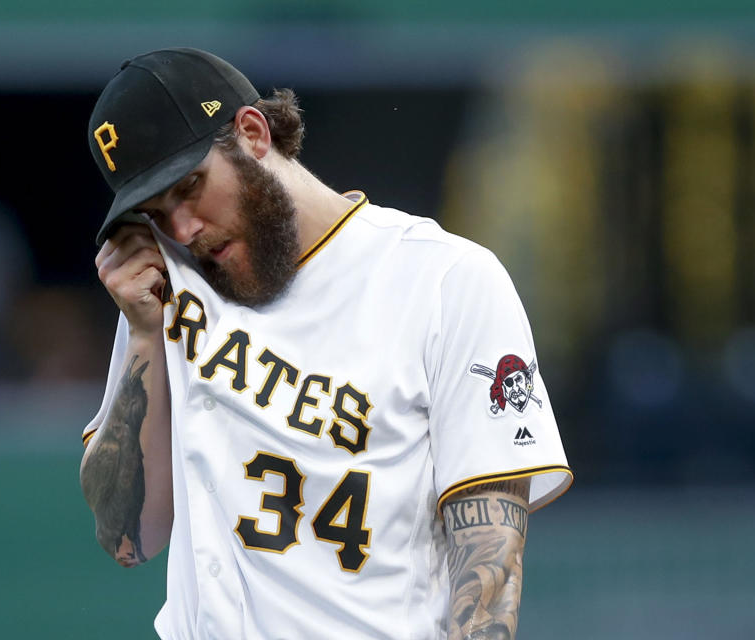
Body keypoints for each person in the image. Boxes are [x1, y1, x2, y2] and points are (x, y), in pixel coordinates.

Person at [79, 48, 572, 640]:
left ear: (254, 134)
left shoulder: (444, 279)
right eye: (155, 213)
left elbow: (488, 565)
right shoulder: (164, 290)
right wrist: (140, 334)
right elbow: (127, 538)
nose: (182, 228)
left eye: (190, 186)